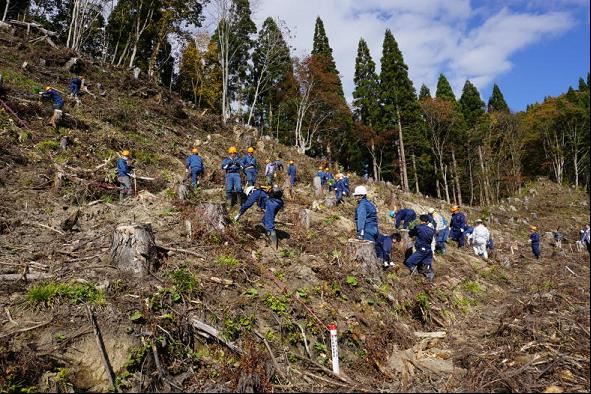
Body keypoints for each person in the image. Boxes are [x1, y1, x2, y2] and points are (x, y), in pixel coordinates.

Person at [405, 215, 436, 282]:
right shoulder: (432, 230)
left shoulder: (418, 227)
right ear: (427, 221)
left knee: (409, 262)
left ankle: (415, 276)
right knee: (426, 267)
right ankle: (431, 281)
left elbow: (411, 233)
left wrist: (411, 234)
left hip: (422, 250)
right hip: (429, 251)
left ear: (420, 220)